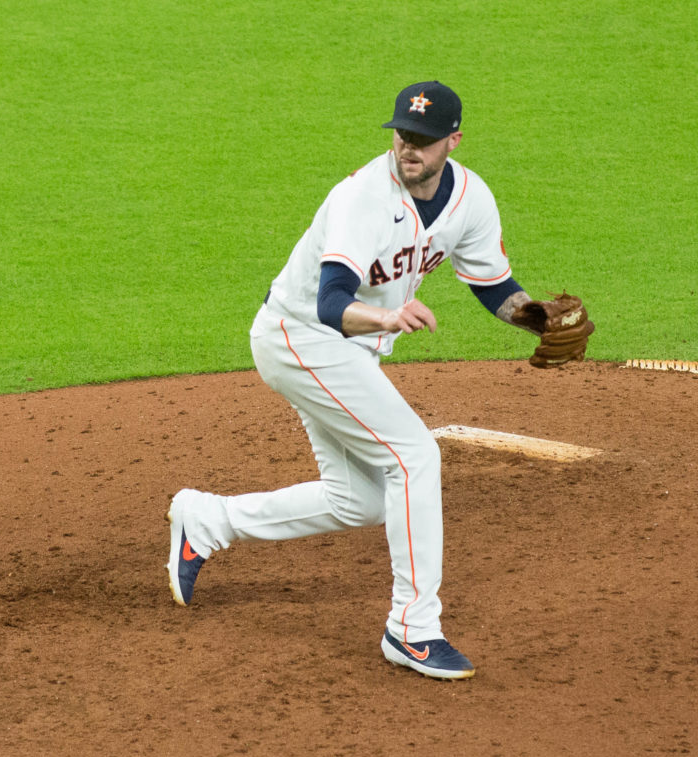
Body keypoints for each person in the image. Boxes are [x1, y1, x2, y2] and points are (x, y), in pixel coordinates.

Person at [166, 80, 544, 680]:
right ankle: (412, 629)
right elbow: (330, 302)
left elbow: (493, 285)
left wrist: (540, 321)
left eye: (422, 139)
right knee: (414, 456)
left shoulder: (471, 198)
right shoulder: (363, 198)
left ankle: (208, 520)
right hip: (300, 338)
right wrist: (388, 317)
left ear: (453, 141)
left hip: (347, 351)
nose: (408, 148)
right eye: (402, 135)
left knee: (360, 500)